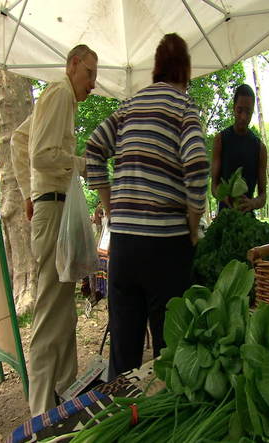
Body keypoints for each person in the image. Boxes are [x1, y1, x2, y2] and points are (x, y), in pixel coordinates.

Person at [86, 33, 209, 380]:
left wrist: (111, 207)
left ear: (156, 69)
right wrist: (193, 220)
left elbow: (94, 147)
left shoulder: (129, 106)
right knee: (169, 354)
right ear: (185, 71)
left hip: (123, 246)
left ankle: (123, 421)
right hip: (166, 248)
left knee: (124, 354)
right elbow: (198, 163)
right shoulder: (184, 107)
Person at [12, 44, 98, 416]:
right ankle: (40, 412)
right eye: (90, 73)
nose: (93, 84)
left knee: (64, 308)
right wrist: (81, 162)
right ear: (74, 64)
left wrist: (27, 192)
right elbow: (42, 154)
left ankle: (64, 396)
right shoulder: (61, 92)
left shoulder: (56, 97)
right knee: (50, 310)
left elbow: (19, 141)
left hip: (53, 206)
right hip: (54, 208)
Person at [212, 84, 267, 212]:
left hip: (247, 220)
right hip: (225, 218)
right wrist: (224, 196)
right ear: (233, 108)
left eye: (248, 112)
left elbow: (263, 196)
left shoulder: (260, 148)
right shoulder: (220, 140)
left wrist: (252, 203)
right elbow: (214, 186)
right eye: (239, 110)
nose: (243, 117)